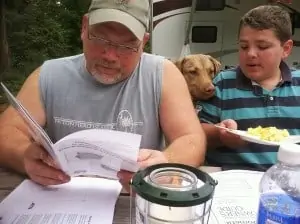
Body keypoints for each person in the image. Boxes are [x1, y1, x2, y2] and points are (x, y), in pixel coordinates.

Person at [0, 0, 206, 187]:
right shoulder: (49, 75)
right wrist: (23, 157)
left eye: (126, 45)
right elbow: (6, 131)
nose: (110, 56)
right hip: (64, 199)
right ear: (84, 27)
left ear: (143, 43)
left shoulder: (163, 75)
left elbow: (192, 139)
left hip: (135, 199)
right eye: (100, 38)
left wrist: (165, 162)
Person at [198, 5, 300, 171]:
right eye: (244, 46)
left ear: (286, 49)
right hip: (233, 184)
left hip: (288, 185)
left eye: (262, 46)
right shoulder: (223, 84)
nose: (251, 54)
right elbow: (196, 132)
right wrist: (220, 135)